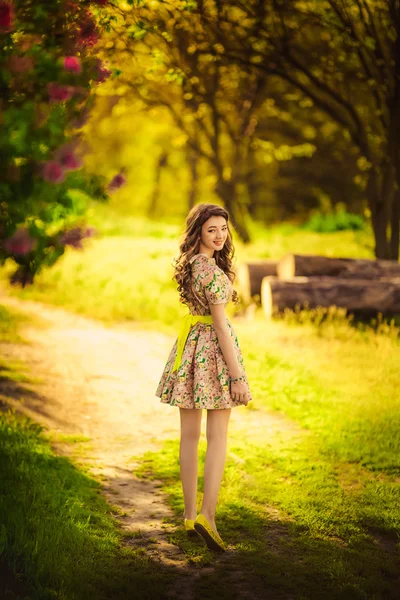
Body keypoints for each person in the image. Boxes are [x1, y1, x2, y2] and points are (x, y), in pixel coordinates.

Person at [155, 203, 252, 552]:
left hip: (191, 347)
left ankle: (188, 514)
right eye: (212, 229)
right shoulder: (212, 271)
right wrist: (238, 376)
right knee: (217, 437)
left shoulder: (193, 266)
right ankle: (207, 517)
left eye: (223, 229)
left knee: (188, 437)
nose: (220, 235)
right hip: (213, 351)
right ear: (198, 232)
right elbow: (223, 328)